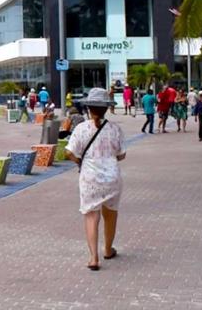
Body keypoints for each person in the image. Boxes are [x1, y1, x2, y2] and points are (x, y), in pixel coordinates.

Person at [65, 88, 127, 271]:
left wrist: (80, 161)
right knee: (111, 214)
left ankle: (93, 258)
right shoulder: (115, 129)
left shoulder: (81, 129)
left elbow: (68, 152)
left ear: (88, 108)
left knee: (91, 216)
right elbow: (122, 155)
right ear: (106, 109)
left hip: (89, 178)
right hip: (112, 178)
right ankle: (108, 249)